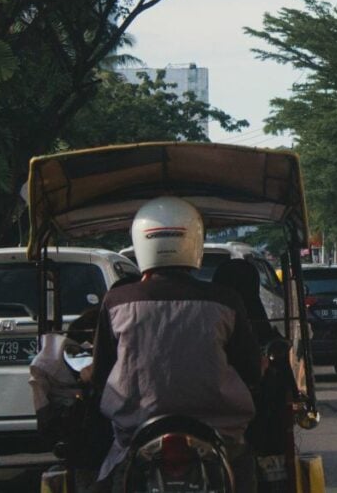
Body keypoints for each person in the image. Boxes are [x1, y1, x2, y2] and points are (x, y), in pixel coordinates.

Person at [90, 197, 260, 492]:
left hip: (134, 430)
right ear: (193, 241)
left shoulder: (117, 301)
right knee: (247, 465)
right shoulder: (225, 301)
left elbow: (101, 373)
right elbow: (251, 370)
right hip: (221, 430)